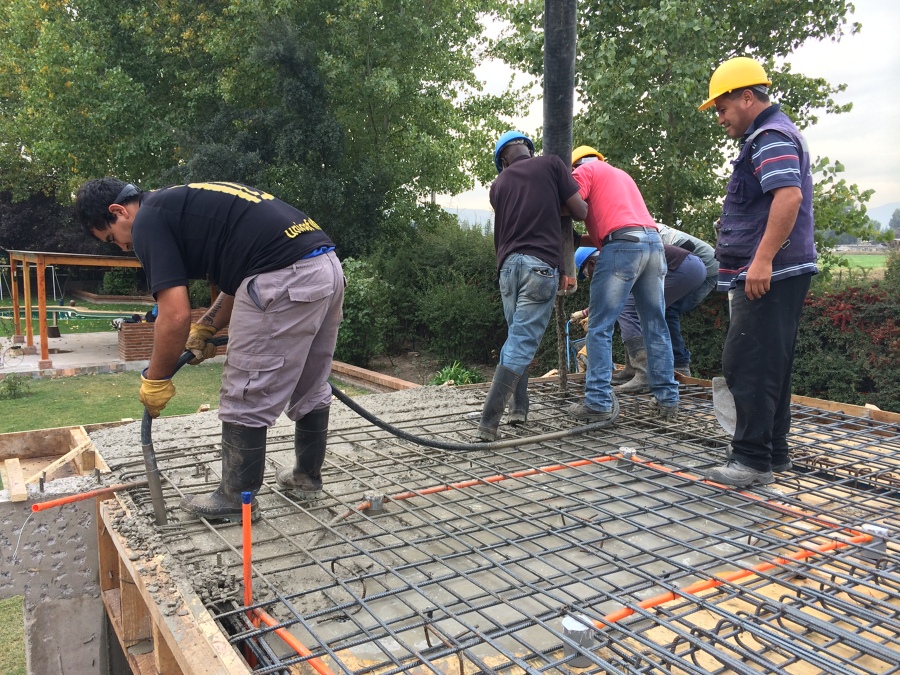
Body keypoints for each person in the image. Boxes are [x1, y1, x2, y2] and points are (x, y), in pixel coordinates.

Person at [74, 179, 345, 519]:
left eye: (112, 238)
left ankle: (234, 499)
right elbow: (242, 276)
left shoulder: (147, 222)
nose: (122, 247)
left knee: (245, 391)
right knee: (311, 382)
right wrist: (206, 327)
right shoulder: (182, 203)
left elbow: (174, 315)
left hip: (284, 277)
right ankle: (306, 478)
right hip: (326, 269)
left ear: (118, 211)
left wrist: (155, 379)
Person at [698, 57, 817, 487]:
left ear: (747, 97)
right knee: (770, 363)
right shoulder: (773, 134)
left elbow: (788, 197)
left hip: (773, 271)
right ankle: (773, 453)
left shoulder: (770, 136)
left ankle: (750, 460)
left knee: (746, 361)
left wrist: (762, 259)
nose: (720, 118)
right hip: (782, 269)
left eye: (722, 108)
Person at [478, 131, 588, 441]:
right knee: (521, 341)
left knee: (516, 337)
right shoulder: (551, 164)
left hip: (507, 269)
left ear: (503, 161)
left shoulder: (498, 186)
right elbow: (580, 211)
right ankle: (488, 422)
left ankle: (519, 408)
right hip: (539, 266)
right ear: (528, 149)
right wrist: (556, 201)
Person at [567, 146, 679, 422]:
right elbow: (618, 226)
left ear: (574, 166)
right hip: (653, 246)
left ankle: (597, 402)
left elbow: (570, 204)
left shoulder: (584, 170)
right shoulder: (620, 175)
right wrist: (577, 239)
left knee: (599, 327)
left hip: (623, 247)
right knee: (655, 325)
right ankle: (667, 400)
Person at [572, 243, 707, 393]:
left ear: (592, 263)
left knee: (628, 309)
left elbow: (616, 297)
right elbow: (617, 295)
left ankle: (643, 374)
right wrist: (586, 312)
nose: (590, 278)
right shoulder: (616, 255)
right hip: (689, 267)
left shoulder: (614, 259)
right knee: (644, 311)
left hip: (681, 269)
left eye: (587, 273)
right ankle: (633, 371)